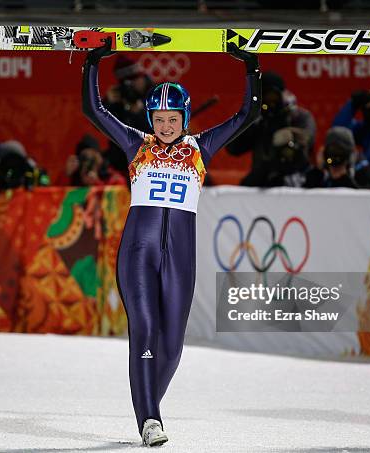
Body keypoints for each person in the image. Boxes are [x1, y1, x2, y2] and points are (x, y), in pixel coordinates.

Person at [82, 40, 261, 447]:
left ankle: (146, 404)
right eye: (159, 119)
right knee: (144, 330)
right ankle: (150, 420)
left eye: (173, 118)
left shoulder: (202, 147)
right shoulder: (135, 144)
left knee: (173, 346)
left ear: (184, 118)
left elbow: (248, 113)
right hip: (138, 254)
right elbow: (94, 110)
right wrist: (93, 63)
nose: (165, 126)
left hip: (180, 257)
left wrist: (251, 66)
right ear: (150, 118)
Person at [226, 71, 316, 187]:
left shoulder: (298, 116)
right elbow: (233, 148)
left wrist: (290, 136)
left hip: (294, 179)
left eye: (274, 97)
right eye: (266, 98)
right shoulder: (258, 119)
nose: (270, 103)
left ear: (283, 95)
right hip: (262, 181)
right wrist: (251, 121)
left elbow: (308, 138)